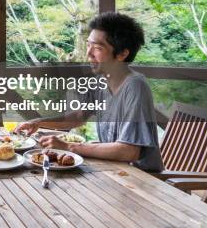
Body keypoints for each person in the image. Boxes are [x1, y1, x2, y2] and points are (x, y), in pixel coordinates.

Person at [15, 12, 164, 172]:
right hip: (113, 171)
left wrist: (69, 146)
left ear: (122, 54)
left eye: (98, 48)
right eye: (88, 45)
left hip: (143, 180)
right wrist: (39, 122)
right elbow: (78, 117)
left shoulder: (135, 86)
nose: (89, 53)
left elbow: (129, 151)